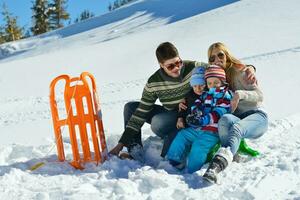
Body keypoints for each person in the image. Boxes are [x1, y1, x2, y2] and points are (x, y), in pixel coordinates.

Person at [109, 42, 208, 161]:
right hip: (170, 115)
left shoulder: (194, 67)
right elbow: (141, 112)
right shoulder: (154, 82)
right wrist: (121, 144)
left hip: (192, 114)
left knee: (158, 121)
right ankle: (135, 151)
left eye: (178, 62)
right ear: (161, 65)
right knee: (131, 107)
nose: (177, 68)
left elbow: (218, 71)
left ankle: (176, 138)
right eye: (170, 66)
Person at [203, 42, 268, 183]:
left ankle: (216, 166)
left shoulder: (241, 72)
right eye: (212, 58)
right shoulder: (216, 76)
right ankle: (232, 152)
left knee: (237, 128)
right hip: (237, 118)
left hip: (256, 116)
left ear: (226, 55)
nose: (217, 60)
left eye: (220, 54)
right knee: (225, 119)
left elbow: (260, 95)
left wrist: (240, 94)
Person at [167, 65, 232, 173]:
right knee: (182, 135)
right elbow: (198, 103)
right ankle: (174, 160)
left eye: (216, 82)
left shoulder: (225, 96)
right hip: (198, 128)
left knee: (199, 146)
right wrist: (195, 112)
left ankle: (193, 170)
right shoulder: (206, 94)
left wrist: (203, 120)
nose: (212, 86)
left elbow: (218, 113)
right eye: (210, 83)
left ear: (222, 82)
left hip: (212, 131)